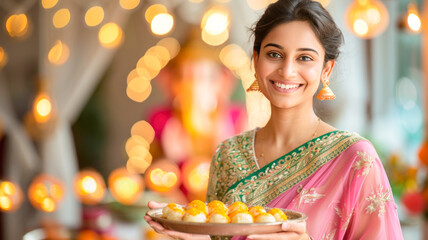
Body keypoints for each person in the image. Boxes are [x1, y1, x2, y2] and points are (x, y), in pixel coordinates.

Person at [144, 0, 404, 239]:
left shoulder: (355, 159)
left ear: (326, 70)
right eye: (274, 54)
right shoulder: (229, 155)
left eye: (304, 58)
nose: (287, 71)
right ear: (256, 61)